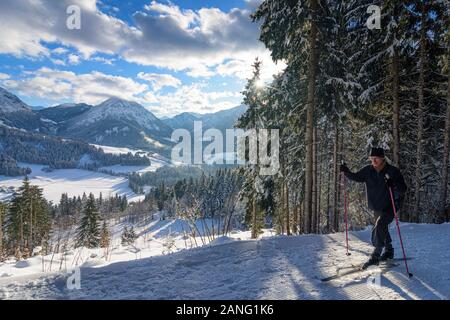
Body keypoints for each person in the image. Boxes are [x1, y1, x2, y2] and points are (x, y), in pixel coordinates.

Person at [340, 147, 408, 269]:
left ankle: (376, 255)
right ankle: (389, 251)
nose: (373, 161)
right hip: (376, 205)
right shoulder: (368, 170)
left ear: (382, 158)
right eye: (371, 158)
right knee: (381, 227)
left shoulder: (392, 171)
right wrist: (346, 172)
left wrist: (393, 184)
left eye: (376, 158)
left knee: (380, 225)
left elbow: (403, 188)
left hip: (390, 205)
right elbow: (357, 177)